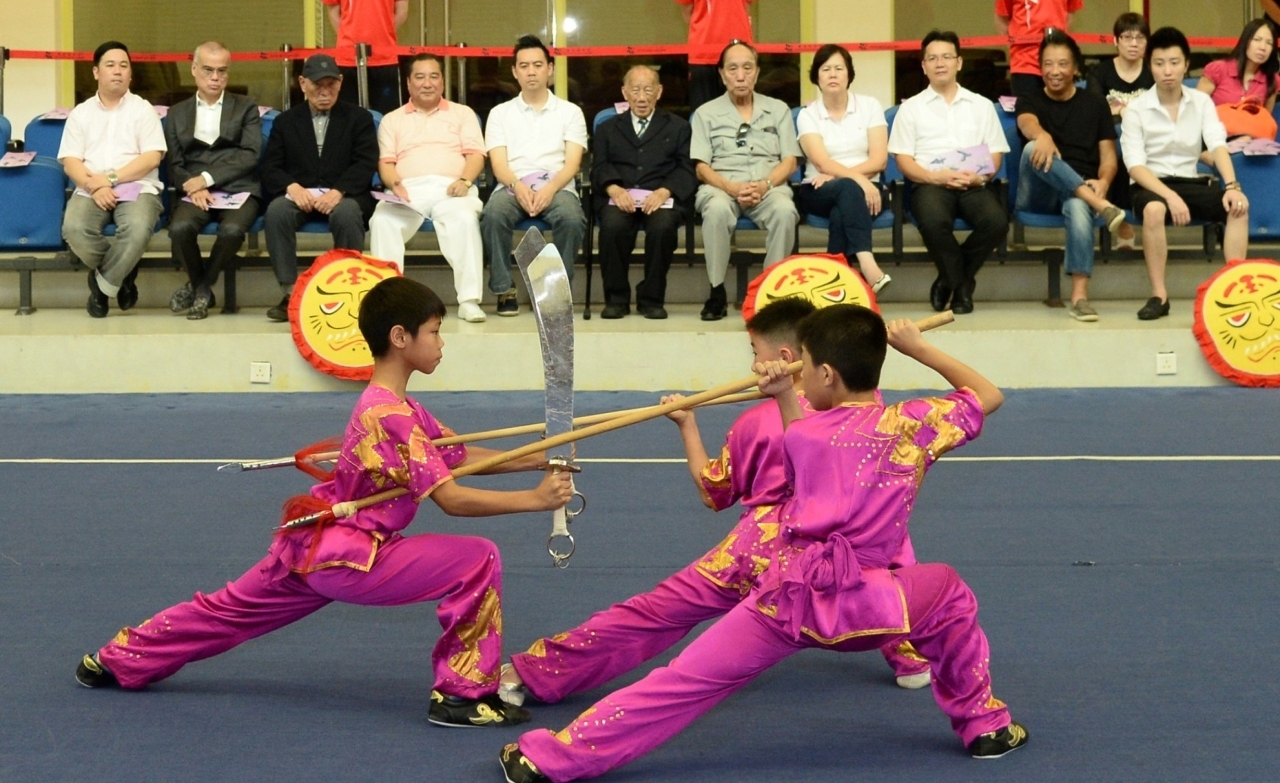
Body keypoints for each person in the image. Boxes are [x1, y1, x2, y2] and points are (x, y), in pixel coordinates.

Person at [499, 304, 1027, 783]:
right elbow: (987, 396)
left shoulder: (796, 433)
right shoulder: (912, 424)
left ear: (820, 372)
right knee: (950, 593)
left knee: (682, 681)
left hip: (789, 597)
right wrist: (920, 348)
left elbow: (799, 441)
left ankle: (551, 759)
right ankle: (983, 723)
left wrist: (775, 398)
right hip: (871, 604)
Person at [74, 276, 574, 729]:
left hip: (317, 544)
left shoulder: (396, 406)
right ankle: (461, 696)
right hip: (354, 555)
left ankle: (116, 658)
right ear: (400, 338)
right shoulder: (392, 416)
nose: (442, 343)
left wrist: (536, 458)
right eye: (435, 331)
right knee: (477, 558)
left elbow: (459, 457)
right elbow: (453, 497)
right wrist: (534, 500)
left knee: (226, 610)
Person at [496, 298, 931, 715]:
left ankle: (537, 671)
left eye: (754, 352)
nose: (751, 364)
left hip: (764, 548)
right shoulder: (876, 410)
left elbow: (715, 490)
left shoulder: (757, 424)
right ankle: (911, 657)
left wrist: (686, 424)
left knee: (656, 614)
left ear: (785, 356)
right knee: (890, 559)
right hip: (852, 545)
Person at [1122, 27, 1250, 321]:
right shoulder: (1137, 110)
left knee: (1239, 206)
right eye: (1159, 63)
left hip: (1190, 180)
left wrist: (1232, 185)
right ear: (1149, 65)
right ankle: (1159, 295)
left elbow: (1217, 144)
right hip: (1151, 184)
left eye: (1174, 62)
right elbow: (1135, 166)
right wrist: (1169, 197)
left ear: (1186, 63)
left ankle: (1237, 293)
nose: (1167, 70)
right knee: (1154, 210)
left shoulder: (1202, 102)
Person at [889, 30, 1010, 315]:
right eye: (932, 58)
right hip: (929, 183)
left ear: (959, 62)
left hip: (973, 182)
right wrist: (934, 177)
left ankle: (951, 280)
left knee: (996, 223)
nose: (939, 63)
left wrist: (980, 177)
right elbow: (903, 160)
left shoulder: (981, 106)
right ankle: (963, 286)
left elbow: (995, 154)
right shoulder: (911, 109)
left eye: (946, 57)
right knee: (932, 222)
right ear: (924, 66)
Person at [1016, 31, 1125, 322]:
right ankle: (1099, 205)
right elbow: (1026, 123)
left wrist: (1103, 182)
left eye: (1062, 64)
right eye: (1048, 64)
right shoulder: (1029, 99)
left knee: (1078, 205)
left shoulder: (1094, 103)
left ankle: (1079, 298)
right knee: (1032, 149)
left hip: (1081, 190)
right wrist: (1043, 136)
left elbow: (1108, 158)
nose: (1055, 71)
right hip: (1039, 193)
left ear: (1075, 67)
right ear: (1040, 68)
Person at [369, 54, 488, 323]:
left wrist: (465, 181)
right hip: (408, 191)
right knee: (383, 221)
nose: (427, 83)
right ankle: (389, 303)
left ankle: (469, 301)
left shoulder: (463, 114)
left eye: (434, 76)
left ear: (443, 81)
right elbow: (386, 162)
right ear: (408, 83)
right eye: (420, 77)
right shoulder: (392, 119)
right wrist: (394, 184)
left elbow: (476, 155)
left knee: (465, 220)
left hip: (453, 188)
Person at [262, 53, 378, 322]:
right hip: (301, 195)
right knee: (277, 212)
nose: (325, 93)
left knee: (348, 215)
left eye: (331, 85)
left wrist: (339, 191)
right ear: (302, 83)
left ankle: (343, 290)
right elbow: (271, 167)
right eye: (317, 85)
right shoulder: (285, 122)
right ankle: (290, 293)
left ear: (340, 82)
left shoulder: (358, 118)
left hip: (344, 194)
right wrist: (292, 187)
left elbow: (365, 163)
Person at [690, 40, 801, 321]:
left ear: (757, 72)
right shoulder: (705, 113)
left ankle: (771, 291)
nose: (740, 76)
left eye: (747, 68)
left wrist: (765, 185)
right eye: (733, 69)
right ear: (722, 74)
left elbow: (790, 160)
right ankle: (716, 291)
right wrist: (731, 187)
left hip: (768, 186)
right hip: (721, 187)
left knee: (785, 212)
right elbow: (701, 167)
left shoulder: (778, 110)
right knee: (714, 210)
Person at [481, 35, 588, 317]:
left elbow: (573, 164)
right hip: (511, 184)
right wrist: (518, 187)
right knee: (493, 215)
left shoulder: (570, 112)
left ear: (550, 69)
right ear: (515, 72)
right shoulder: (499, 113)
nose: (531, 71)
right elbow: (498, 164)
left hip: (557, 185)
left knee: (572, 218)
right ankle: (505, 289)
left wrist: (550, 189)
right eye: (524, 66)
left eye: (538, 65)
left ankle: (555, 290)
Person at [58, 41, 165, 319]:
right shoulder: (81, 113)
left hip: (137, 186)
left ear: (130, 74)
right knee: (74, 228)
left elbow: (152, 157)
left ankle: (102, 285)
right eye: (110, 65)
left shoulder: (143, 110)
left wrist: (110, 178)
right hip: (90, 187)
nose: (117, 71)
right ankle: (123, 273)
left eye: (124, 65)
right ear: (96, 72)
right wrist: (95, 185)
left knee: (139, 228)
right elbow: (70, 161)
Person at [164, 42, 263, 320]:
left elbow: (250, 155)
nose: (215, 77)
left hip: (239, 188)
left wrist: (205, 179)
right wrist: (191, 185)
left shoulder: (246, 107)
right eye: (208, 70)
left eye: (222, 71)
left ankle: (201, 287)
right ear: (194, 70)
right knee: (180, 228)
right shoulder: (177, 113)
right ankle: (203, 288)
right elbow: (175, 163)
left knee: (232, 231)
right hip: (194, 190)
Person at [591, 65, 697, 320]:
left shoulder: (678, 127)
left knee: (662, 227)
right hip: (620, 196)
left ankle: (652, 299)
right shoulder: (607, 128)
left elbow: (686, 169)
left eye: (648, 89)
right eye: (635, 90)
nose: (641, 97)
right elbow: (599, 167)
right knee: (613, 226)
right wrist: (614, 188)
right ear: (624, 92)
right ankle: (616, 299)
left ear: (659, 92)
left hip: (660, 197)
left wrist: (665, 191)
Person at [795, 43, 892, 293]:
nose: (833, 74)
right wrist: (859, 180)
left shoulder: (869, 106)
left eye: (839, 68)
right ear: (816, 76)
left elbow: (880, 160)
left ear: (849, 74)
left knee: (842, 211)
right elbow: (821, 163)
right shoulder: (808, 114)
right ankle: (868, 263)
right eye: (826, 69)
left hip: (866, 188)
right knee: (848, 188)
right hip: (818, 189)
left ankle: (835, 278)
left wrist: (847, 178)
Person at [1086, 12, 1153, 250]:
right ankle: (1122, 220)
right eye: (1127, 37)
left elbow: (1160, 110)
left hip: (1148, 137)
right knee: (1115, 142)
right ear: (1116, 41)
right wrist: (1125, 113)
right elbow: (1095, 109)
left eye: (1140, 38)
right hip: (1110, 136)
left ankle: (1133, 218)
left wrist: (1126, 111)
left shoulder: (1154, 72)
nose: (1134, 43)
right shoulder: (1099, 72)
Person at [324, 0, 409, 116]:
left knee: (387, 118)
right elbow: (333, 12)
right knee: (347, 119)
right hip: (348, 59)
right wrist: (348, 36)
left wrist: (384, 32)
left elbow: (402, 12)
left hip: (384, 59)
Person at [675, 0, 756, 114]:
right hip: (704, 54)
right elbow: (688, 10)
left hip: (736, 52)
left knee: (741, 111)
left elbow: (747, 7)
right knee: (702, 115)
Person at [995, 0, 1081, 100]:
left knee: (1059, 112)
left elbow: (1070, 12)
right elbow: (1002, 19)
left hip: (1056, 63)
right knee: (1027, 110)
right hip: (1024, 62)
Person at [1196, 19, 1280, 113]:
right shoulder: (1218, 69)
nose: (1263, 47)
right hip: (1216, 126)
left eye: (1269, 43)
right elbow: (1196, 110)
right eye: (1257, 40)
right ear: (1245, 41)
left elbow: (1266, 119)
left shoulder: (1272, 80)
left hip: (1250, 127)